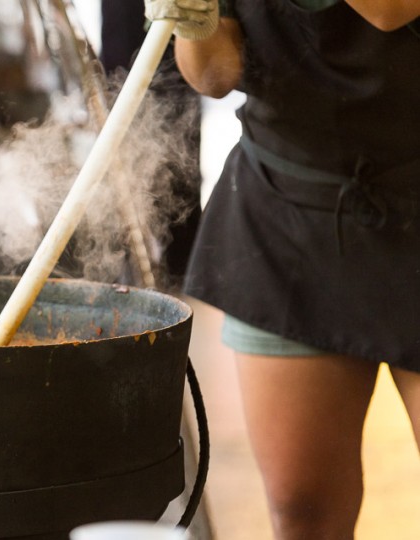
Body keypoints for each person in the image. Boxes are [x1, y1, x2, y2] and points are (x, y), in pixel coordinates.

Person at [146, 0, 420, 538]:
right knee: (303, 509)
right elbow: (216, 74)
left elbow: (390, 10)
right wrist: (192, 19)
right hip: (289, 206)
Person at [100, 0, 203, 289]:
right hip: (122, 51)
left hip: (176, 54)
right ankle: (125, 267)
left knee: (179, 157)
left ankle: (184, 271)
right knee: (122, 167)